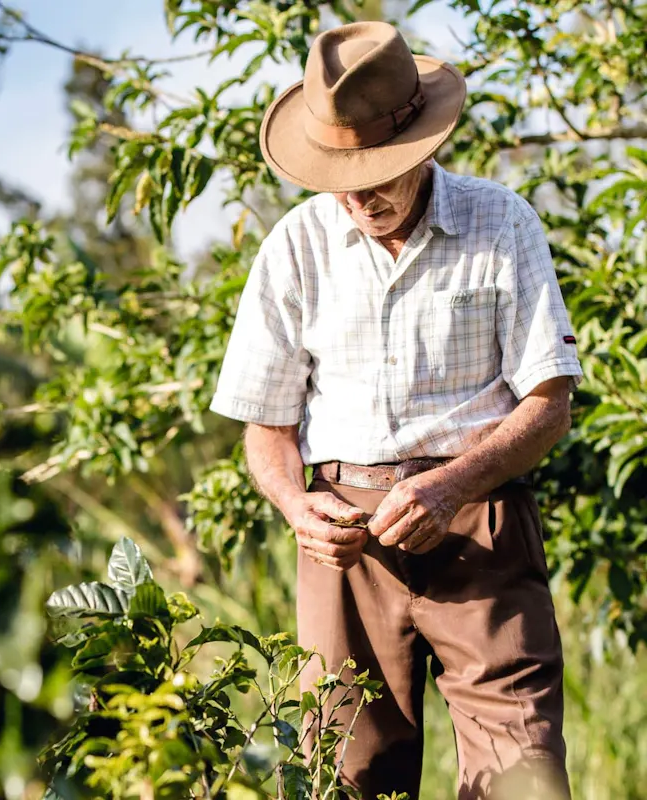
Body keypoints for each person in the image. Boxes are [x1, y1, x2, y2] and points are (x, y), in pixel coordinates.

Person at [209, 20, 582, 800]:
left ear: (425, 144)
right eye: (340, 174)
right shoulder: (294, 246)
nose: (357, 195)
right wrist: (294, 505)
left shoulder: (502, 222)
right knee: (347, 777)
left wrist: (451, 486)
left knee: (526, 774)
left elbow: (549, 403)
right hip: (345, 545)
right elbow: (267, 429)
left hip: (482, 525)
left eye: (379, 170)